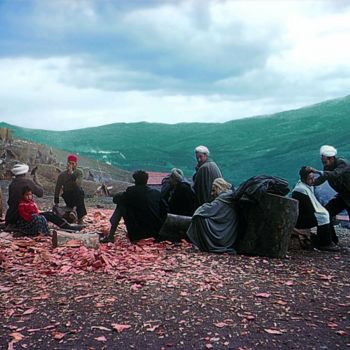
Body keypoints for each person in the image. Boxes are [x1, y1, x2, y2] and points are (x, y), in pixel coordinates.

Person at [5, 163, 82, 232]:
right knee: (50, 215)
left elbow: (10, 202)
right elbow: (40, 193)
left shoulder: (12, 184)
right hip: (22, 218)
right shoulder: (28, 182)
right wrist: (36, 181)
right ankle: (67, 227)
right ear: (25, 173)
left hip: (11, 217)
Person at [101, 170, 166, 243]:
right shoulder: (156, 193)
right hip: (156, 232)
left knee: (121, 205)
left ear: (135, 181)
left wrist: (121, 194)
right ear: (146, 180)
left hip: (138, 233)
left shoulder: (131, 192)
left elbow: (115, 199)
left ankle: (111, 236)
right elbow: (165, 209)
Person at [309, 145, 350, 244]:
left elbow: (334, 174)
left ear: (331, 158)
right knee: (326, 213)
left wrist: (318, 172)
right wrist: (312, 182)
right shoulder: (327, 166)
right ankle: (331, 239)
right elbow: (323, 178)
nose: (324, 164)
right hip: (342, 196)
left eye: (325, 161)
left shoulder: (342, 163)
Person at [291, 166, 338, 251]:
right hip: (301, 219)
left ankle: (331, 240)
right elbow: (308, 209)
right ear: (303, 179)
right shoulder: (300, 190)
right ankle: (325, 243)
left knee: (326, 214)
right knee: (323, 216)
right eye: (310, 179)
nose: (313, 180)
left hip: (305, 214)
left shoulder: (307, 185)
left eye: (313, 178)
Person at [187, 177, 239, 254]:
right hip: (228, 232)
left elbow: (207, 210)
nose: (211, 194)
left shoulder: (223, 198)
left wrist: (199, 209)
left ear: (219, 188)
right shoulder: (228, 196)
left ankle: (207, 245)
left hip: (224, 234)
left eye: (213, 190)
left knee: (199, 218)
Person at [54, 154, 87, 225]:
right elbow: (58, 187)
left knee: (79, 192)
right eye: (70, 163)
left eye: (73, 163)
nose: (71, 165)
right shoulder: (62, 175)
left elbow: (78, 184)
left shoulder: (79, 172)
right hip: (68, 196)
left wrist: (72, 174)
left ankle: (76, 212)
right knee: (80, 195)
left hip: (77, 194)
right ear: (67, 163)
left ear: (76, 164)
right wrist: (56, 201)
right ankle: (76, 214)